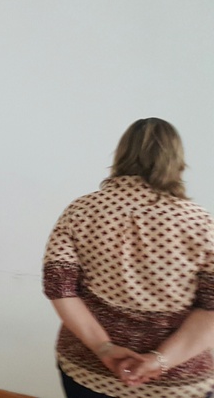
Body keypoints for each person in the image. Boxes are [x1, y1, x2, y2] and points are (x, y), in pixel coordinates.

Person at [43, 118, 214, 398]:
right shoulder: (200, 222)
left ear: (121, 154)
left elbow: (59, 288)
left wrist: (104, 348)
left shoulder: (80, 211)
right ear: (176, 160)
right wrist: (159, 360)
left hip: (90, 369)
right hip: (175, 381)